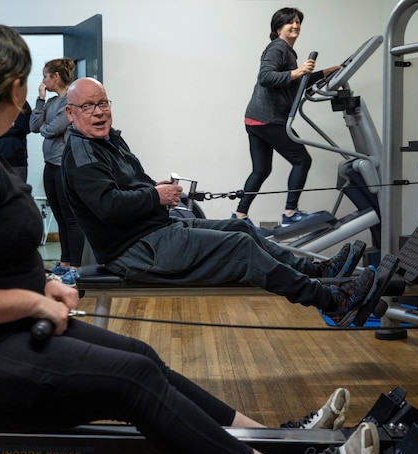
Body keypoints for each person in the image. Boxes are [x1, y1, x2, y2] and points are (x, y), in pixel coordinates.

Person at [0, 22, 377, 454]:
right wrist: (32, 298)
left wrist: (42, 280)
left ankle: (271, 444)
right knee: (132, 379)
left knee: (141, 357)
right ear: (17, 90)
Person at [62, 77, 381, 328]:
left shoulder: (108, 140)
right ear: (70, 113)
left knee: (241, 225)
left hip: (154, 230)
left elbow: (128, 183)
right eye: (88, 106)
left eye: (103, 103)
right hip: (135, 251)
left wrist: (152, 187)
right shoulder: (82, 154)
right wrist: (154, 196)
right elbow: (108, 206)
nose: (99, 112)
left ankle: (320, 270)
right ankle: (334, 302)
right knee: (241, 249)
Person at [235, 7, 341, 227]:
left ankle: (239, 217)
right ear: (278, 27)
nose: (295, 26)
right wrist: (298, 71)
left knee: (261, 169)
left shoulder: (287, 51)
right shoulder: (278, 48)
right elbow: (265, 76)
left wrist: (325, 72)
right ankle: (290, 214)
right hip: (269, 118)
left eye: (298, 22)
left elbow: (294, 81)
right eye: (290, 22)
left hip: (256, 119)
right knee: (302, 160)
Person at [30, 58, 84, 286]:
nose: (42, 81)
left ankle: (75, 268)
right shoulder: (51, 102)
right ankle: (63, 264)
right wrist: (40, 100)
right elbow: (34, 126)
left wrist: (45, 127)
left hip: (65, 167)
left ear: (56, 77)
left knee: (71, 219)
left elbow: (53, 129)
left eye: (45, 76)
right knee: (60, 217)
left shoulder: (68, 103)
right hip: (49, 166)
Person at [0, 101, 33, 181]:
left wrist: (1, 129)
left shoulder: (21, 102)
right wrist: (12, 127)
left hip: (16, 160)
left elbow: (26, 127)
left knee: (17, 191)